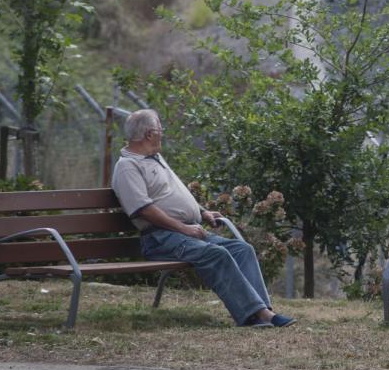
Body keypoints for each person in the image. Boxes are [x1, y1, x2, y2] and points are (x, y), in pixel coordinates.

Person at [111, 109, 294, 328]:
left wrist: (202, 212)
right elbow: (144, 210)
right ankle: (261, 317)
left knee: (242, 249)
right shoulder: (127, 167)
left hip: (185, 232)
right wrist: (184, 228)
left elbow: (174, 193)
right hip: (161, 238)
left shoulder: (155, 158)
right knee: (216, 254)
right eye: (161, 129)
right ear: (150, 134)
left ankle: (262, 313)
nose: (163, 133)